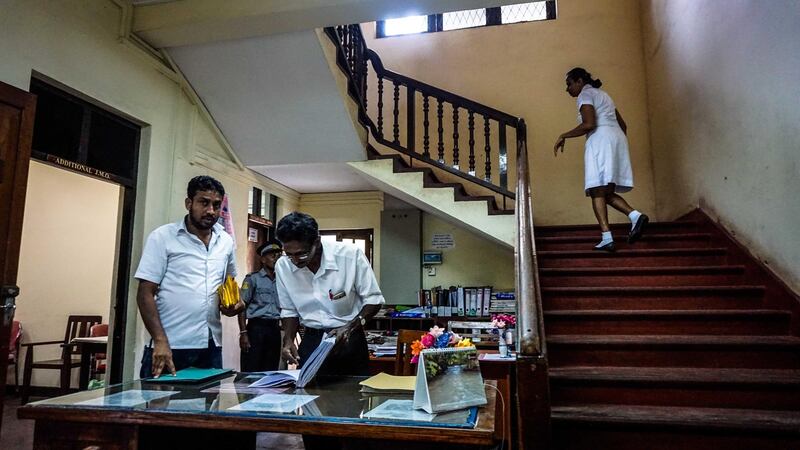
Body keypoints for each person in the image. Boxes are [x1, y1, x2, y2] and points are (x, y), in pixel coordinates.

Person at [134, 176, 243, 378]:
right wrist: (160, 340)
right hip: (169, 345)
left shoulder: (225, 241)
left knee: (207, 408)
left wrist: (234, 305)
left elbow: (230, 286)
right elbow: (145, 293)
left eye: (216, 205)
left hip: (210, 346)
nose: (210, 210)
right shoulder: (163, 237)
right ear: (188, 203)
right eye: (204, 202)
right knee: (159, 406)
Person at [275, 212, 384, 377]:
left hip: (349, 338)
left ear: (317, 242)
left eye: (301, 254)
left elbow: (374, 300)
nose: (295, 261)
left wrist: (350, 327)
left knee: (353, 397)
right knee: (309, 395)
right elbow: (289, 310)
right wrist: (288, 339)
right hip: (312, 339)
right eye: (289, 255)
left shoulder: (350, 255)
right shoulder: (283, 266)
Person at [554, 67, 649, 251]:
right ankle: (635, 216)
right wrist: (615, 144)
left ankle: (607, 237)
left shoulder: (585, 94)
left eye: (569, 84)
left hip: (600, 140)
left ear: (579, 81)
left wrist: (563, 135)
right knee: (604, 192)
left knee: (596, 190)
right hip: (616, 138)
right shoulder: (604, 95)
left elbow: (589, 124)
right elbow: (623, 125)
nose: (567, 89)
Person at [237, 240, 283, 372]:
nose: (276, 258)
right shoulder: (252, 279)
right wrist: (243, 333)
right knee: (251, 368)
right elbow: (242, 307)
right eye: (272, 255)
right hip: (256, 329)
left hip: (274, 329)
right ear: (263, 259)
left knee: (271, 369)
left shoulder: (283, 280)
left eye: (278, 255)